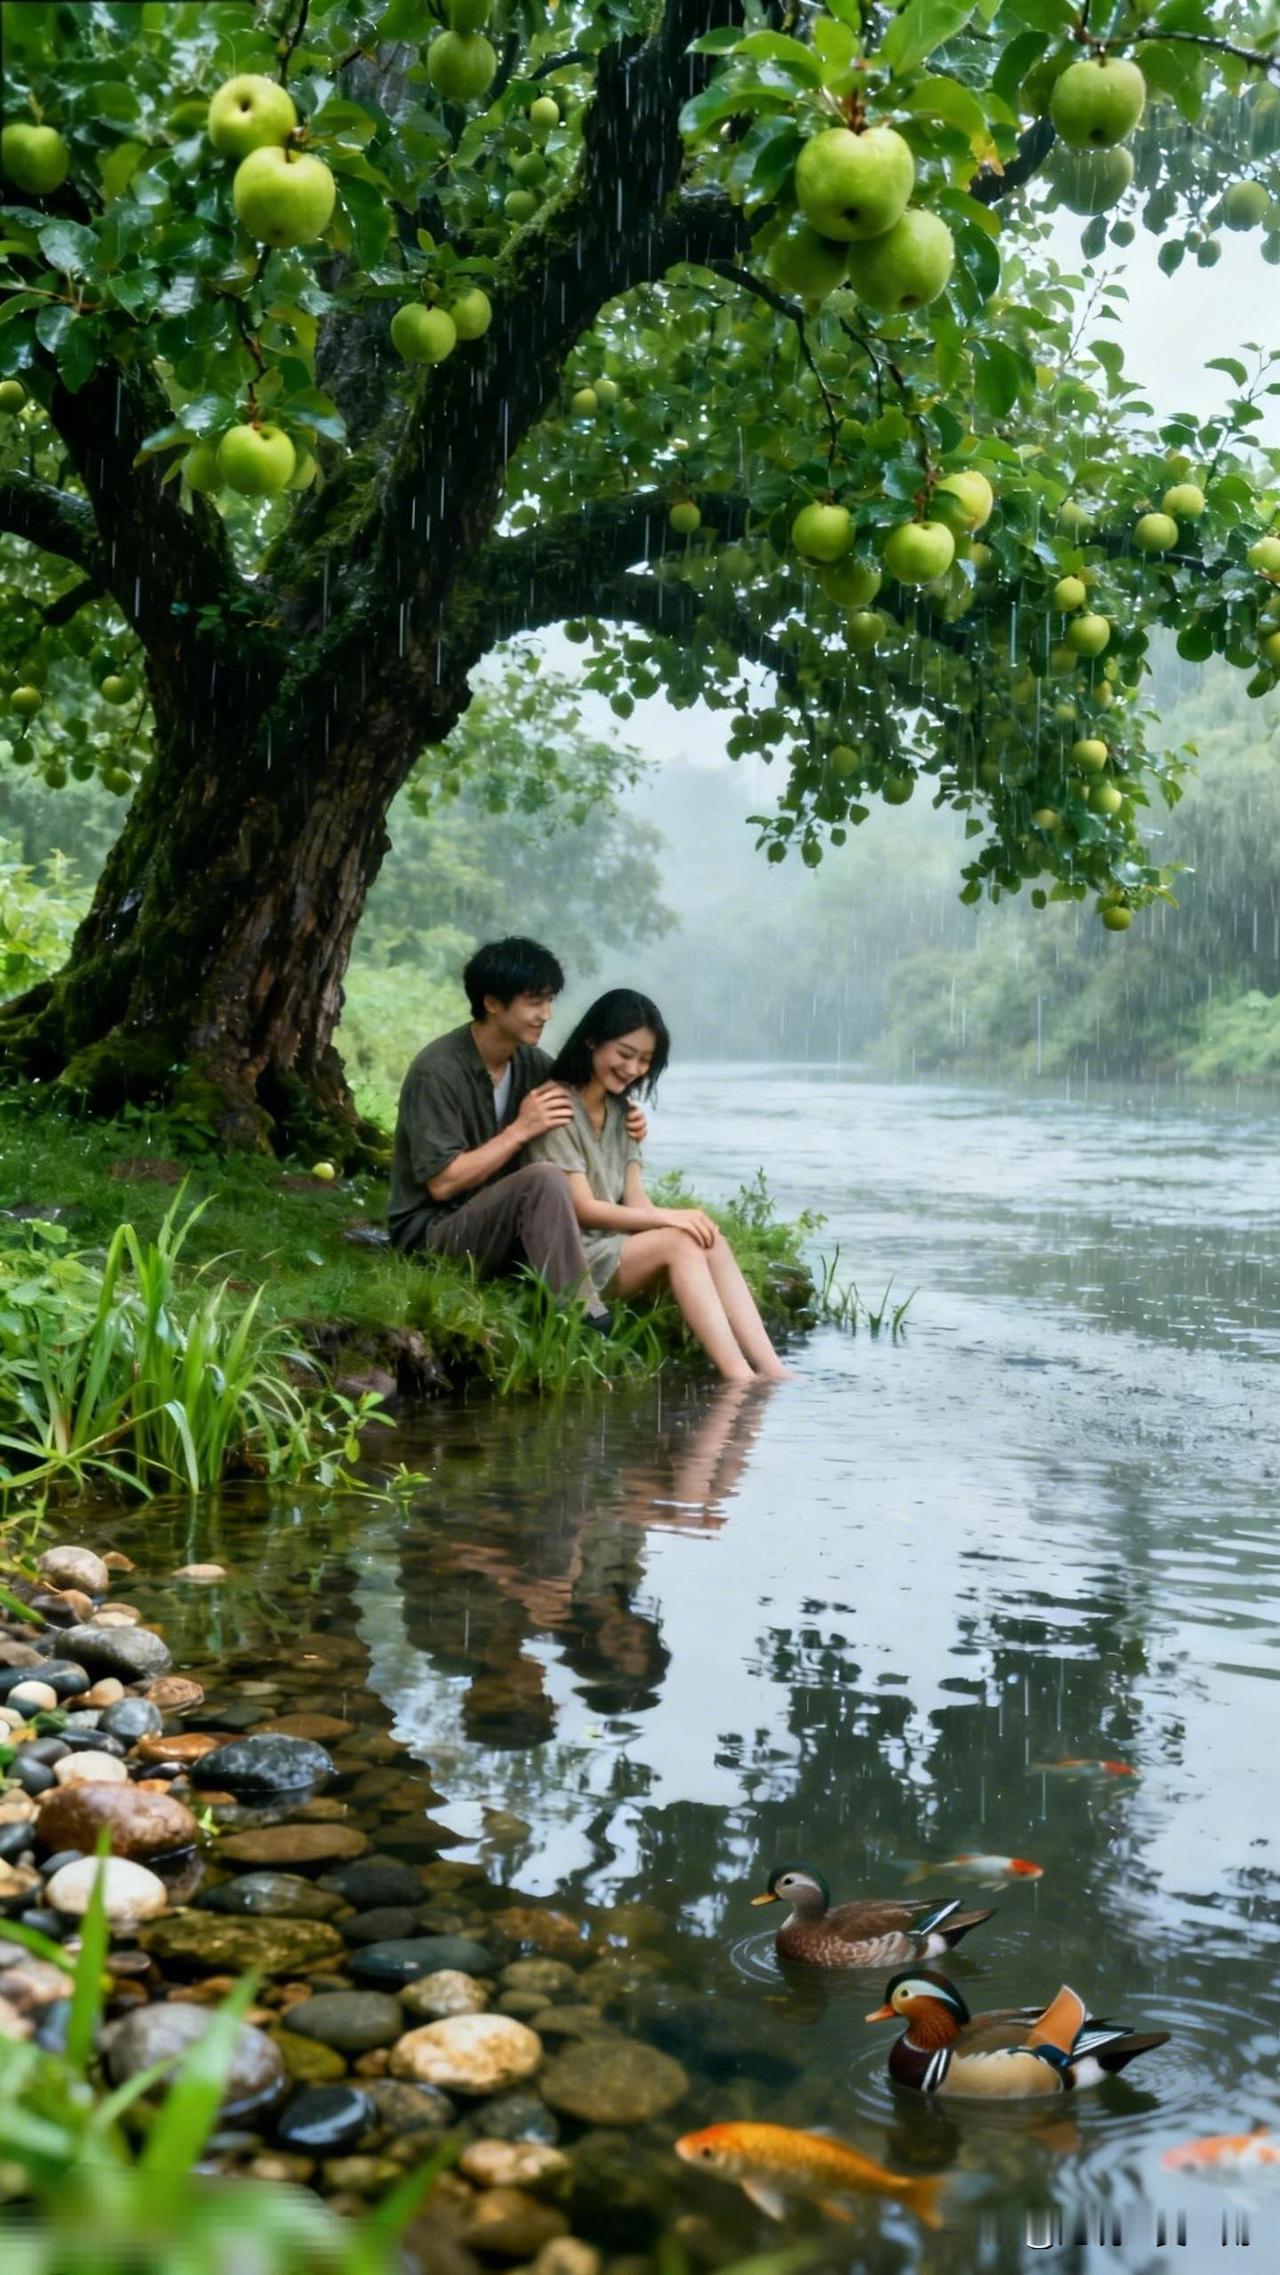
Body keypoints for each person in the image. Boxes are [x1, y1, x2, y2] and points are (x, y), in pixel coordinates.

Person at [526, 987, 795, 1384]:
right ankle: (739, 1377)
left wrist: (676, 1220)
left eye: (645, 1060)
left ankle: (772, 1370)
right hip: (571, 1254)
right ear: (592, 1040)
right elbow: (582, 1208)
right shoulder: (556, 1106)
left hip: (614, 1245)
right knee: (678, 1239)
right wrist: (670, 1219)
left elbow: (635, 1198)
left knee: (707, 1236)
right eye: (624, 1053)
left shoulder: (623, 1113)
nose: (633, 1068)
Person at [387, 937, 644, 1316]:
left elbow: (587, 1092)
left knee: (549, 1179)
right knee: (544, 1177)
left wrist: (626, 1115)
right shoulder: (437, 1070)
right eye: (535, 1002)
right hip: (432, 1236)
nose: (547, 1014)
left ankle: (578, 1297)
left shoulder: (534, 1064)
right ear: (491, 1003)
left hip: (502, 1225)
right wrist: (519, 1131)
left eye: (550, 1001)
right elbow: (442, 1184)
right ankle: (585, 1317)